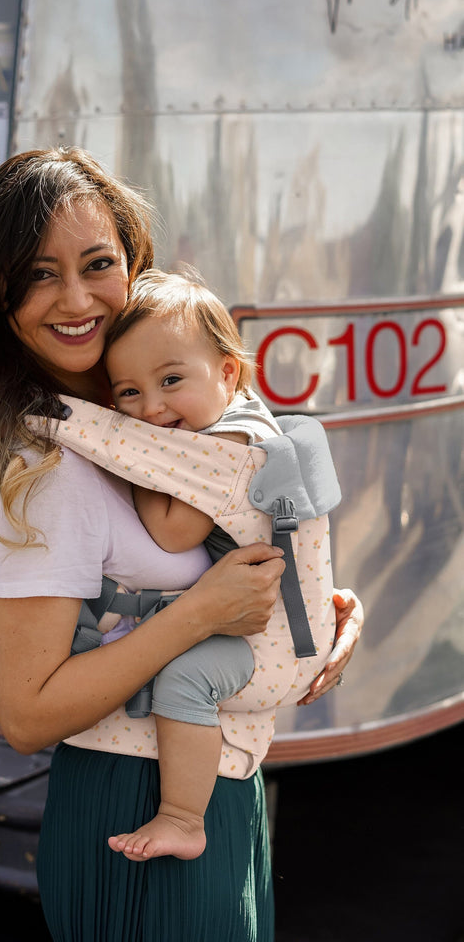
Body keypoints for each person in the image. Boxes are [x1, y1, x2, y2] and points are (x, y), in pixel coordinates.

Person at [0, 146, 364, 942]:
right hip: (136, 799)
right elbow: (27, 714)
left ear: (134, 265)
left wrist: (324, 606)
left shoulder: (147, 418)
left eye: (98, 264)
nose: (75, 299)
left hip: (211, 780)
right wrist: (202, 611)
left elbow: (252, 517)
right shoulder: (45, 462)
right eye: (37, 274)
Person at [35, 266, 339, 863]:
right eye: (127, 393)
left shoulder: (227, 446)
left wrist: (139, 464)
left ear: (228, 373)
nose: (151, 410)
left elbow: (172, 533)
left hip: (273, 648)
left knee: (185, 679)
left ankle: (182, 817)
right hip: (281, 627)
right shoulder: (230, 419)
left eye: (172, 379)